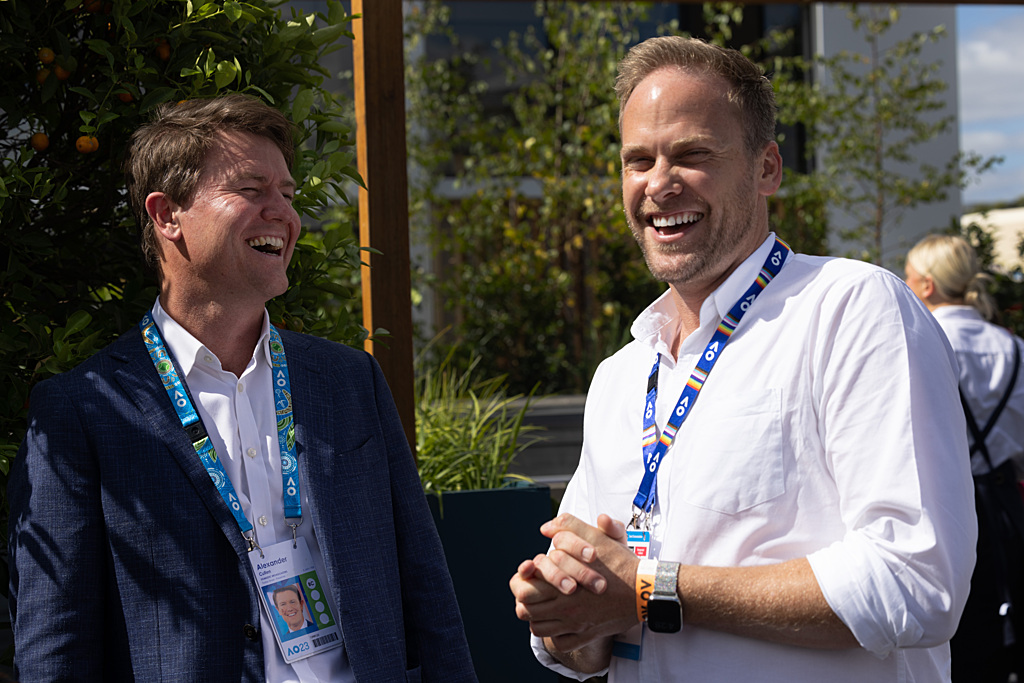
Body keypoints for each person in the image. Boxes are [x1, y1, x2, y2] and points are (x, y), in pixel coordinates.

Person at [509, 36, 976, 682]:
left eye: (693, 154)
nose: (659, 183)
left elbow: (917, 582)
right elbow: (596, 643)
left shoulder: (851, 310)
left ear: (767, 169)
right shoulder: (620, 376)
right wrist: (567, 615)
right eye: (638, 160)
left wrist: (650, 588)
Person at [8, 94, 476, 682]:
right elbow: (57, 648)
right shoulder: (84, 411)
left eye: (288, 194)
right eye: (252, 190)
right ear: (167, 214)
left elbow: (426, 592)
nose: (282, 213)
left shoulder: (349, 380)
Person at [906, 234, 1024, 682]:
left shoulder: (917, 340)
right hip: (1004, 506)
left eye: (909, 277)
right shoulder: (1013, 348)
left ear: (928, 285)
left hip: (939, 508)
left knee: (951, 643)